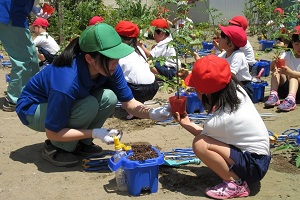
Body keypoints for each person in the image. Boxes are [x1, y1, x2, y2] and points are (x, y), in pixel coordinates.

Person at [15, 23, 172, 167]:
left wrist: (153, 113)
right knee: (88, 104)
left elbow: (129, 103)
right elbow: (52, 131)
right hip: (34, 110)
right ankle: (56, 148)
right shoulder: (66, 81)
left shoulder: (110, 67)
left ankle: (82, 143)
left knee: (109, 97)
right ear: (89, 58)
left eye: (117, 58)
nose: (115, 64)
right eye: (110, 58)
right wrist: (95, 133)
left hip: (64, 104)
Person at [174, 55, 271, 199]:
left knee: (200, 144)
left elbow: (205, 138)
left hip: (253, 167)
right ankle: (236, 174)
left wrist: (186, 123)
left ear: (206, 92)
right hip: (260, 158)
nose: (195, 91)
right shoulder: (237, 90)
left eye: (196, 89)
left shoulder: (221, 120)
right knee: (205, 140)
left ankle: (235, 184)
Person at [0, 0, 40, 112]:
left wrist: (32, 7)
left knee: (31, 55)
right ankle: (14, 99)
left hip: (16, 15)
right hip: (10, 16)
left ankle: (32, 93)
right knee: (23, 59)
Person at [115, 20, 159, 119]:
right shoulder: (138, 50)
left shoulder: (120, 52)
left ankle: (130, 108)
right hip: (152, 87)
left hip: (136, 90)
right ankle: (138, 104)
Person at [264, 26, 300, 112]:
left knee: (293, 77)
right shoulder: (286, 54)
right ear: (292, 43)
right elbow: (272, 69)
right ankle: (274, 95)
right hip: (285, 89)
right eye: (297, 44)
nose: (299, 48)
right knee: (277, 69)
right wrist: (274, 62)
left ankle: (291, 99)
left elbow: (292, 74)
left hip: (298, 91)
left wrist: (291, 73)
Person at [217, 25, 254, 100]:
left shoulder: (238, 55)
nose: (219, 38)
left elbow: (231, 74)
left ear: (230, 45)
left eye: (223, 37)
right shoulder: (224, 54)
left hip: (243, 87)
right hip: (232, 85)